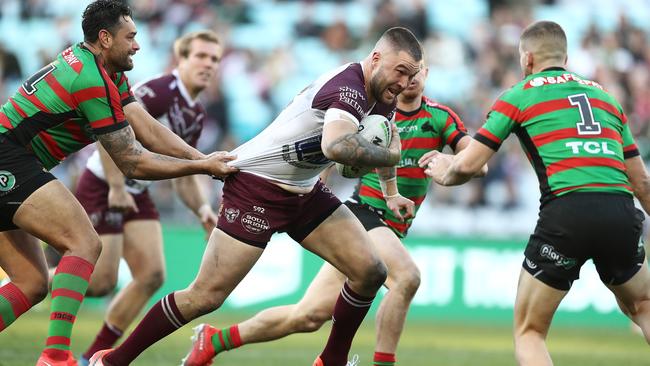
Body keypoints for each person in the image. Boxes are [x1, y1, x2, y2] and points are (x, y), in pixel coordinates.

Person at [88, 27, 423, 366]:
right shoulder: (348, 87)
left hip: (304, 191)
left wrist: (390, 191)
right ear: (377, 58)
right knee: (205, 296)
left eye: (411, 76)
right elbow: (335, 145)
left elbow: (379, 142)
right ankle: (113, 360)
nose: (405, 82)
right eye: (401, 71)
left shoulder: (383, 95)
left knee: (370, 271)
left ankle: (331, 361)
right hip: (256, 187)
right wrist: (387, 156)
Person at [178, 61, 483, 366]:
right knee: (406, 278)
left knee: (308, 316)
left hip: (388, 228)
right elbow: (329, 150)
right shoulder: (370, 107)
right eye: (404, 72)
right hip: (364, 214)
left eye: (417, 72)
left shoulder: (440, 117)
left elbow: (477, 162)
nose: (410, 79)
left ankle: (214, 340)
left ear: (427, 74)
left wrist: (449, 162)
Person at [0, 1, 236, 365]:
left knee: (32, 283)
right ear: (106, 38)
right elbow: (132, 160)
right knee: (83, 243)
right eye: (131, 37)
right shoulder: (91, 80)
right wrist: (202, 168)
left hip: (15, 161)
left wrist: (201, 159)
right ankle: (55, 357)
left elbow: (148, 128)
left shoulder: (102, 68)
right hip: (10, 160)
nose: (138, 45)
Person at [422, 20, 650, 365]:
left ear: (526, 58)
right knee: (644, 307)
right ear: (566, 57)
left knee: (530, 331)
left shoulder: (519, 95)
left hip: (567, 213)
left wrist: (442, 169)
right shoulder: (606, 98)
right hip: (620, 209)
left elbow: (467, 166)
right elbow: (642, 184)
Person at [74, 30, 223, 366]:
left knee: (152, 275)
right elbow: (108, 128)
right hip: (104, 183)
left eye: (214, 59)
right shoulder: (158, 91)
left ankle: (90, 357)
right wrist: (115, 186)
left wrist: (202, 208)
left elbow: (185, 171)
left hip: (137, 192)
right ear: (181, 59)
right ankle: (32, 281)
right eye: (200, 56)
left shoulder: (195, 113)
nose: (208, 64)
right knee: (100, 282)